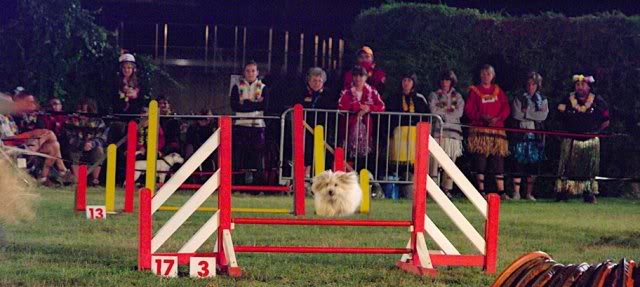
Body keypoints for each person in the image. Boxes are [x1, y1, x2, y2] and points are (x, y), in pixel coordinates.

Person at [0, 90, 72, 185]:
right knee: (47, 133)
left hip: (20, 143)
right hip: (8, 146)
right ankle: (62, 171)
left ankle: (43, 178)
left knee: (53, 146)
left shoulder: (11, 118)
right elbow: (6, 138)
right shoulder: (2, 118)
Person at [556, 74, 609, 203]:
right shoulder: (566, 100)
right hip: (570, 139)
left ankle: (588, 192)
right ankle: (563, 191)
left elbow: (606, 120)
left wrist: (596, 132)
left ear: (589, 87)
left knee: (589, 168)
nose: (579, 87)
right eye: (577, 84)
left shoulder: (598, 101)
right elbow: (558, 117)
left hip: (590, 141)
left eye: (582, 84)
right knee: (567, 167)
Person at [464, 65, 511, 198]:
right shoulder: (474, 91)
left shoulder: (498, 90)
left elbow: (506, 107)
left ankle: (501, 191)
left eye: (488, 74)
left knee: (498, 159)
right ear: (480, 75)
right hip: (480, 130)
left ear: (493, 75)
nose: (486, 76)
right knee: (480, 159)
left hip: (497, 131)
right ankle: (481, 190)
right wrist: (481, 117)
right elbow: (469, 109)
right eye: (483, 74)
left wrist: (498, 118)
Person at [230, 60, 270, 184]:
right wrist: (254, 105)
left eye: (253, 70)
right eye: (248, 71)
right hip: (240, 125)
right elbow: (234, 106)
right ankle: (237, 184)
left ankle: (258, 186)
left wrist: (247, 104)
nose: (250, 73)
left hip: (257, 126)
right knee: (238, 156)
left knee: (257, 156)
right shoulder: (237, 87)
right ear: (244, 72)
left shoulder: (263, 88)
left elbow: (265, 106)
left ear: (257, 72)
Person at [510, 72, 548, 201]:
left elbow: (542, 116)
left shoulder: (542, 99)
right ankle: (516, 192)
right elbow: (516, 114)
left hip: (535, 135)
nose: (531, 87)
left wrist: (527, 113)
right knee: (518, 163)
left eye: (533, 84)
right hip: (521, 132)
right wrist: (533, 114)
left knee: (533, 165)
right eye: (529, 84)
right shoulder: (519, 97)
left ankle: (529, 193)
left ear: (538, 85)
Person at [338, 65, 385, 166]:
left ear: (366, 77)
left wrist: (369, 108)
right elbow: (341, 106)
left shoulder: (372, 91)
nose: (358, 78)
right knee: (348, 154)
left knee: (366, 155)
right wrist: (357, 108)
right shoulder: (346, 91)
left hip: (368, 129)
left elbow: (381, 106)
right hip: (349, 129)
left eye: (361, 75)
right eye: (355, 75)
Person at [428, 70, 465, 198]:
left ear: (451, 82)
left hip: (453, 134)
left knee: (450, 161)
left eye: (447, 80)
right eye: (443, 80)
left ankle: (446, 188)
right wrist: (446, 114)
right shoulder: (434, 95)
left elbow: (459, 112)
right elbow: (433, 110)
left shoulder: (458, 97)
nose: (445, 83)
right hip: (438, 132)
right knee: (434, 160)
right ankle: (433, 187)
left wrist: (443, 115)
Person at [300, 67, 335, 177]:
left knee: (321, 154)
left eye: (319, 81)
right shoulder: (302, 93)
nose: (316, 83)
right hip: (305, 129)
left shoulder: (329, 94)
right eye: (314, 81)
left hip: (322, 129)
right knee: (307, 153)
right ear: (309, 81)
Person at [64, 98, 107, 186]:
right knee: (73, 151)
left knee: (99, 151)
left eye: (83, 110)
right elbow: (69, 137)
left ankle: (95, 180)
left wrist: (92, 144)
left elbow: (102, 138)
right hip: (77, 146)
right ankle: (77, 180)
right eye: (79, 109)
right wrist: (82, 144)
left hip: (92, 146)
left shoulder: (98, 122)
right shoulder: (71, 121)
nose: (80, 112)